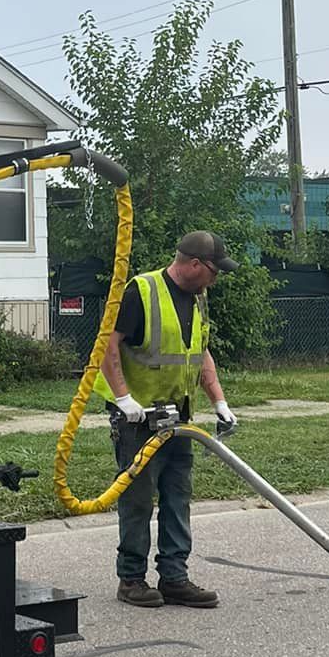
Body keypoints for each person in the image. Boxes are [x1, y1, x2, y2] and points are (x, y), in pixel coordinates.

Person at [92, 231, 239, 608]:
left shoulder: (198, 299)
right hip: (137, 421)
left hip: (179, 417)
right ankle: (131, 580)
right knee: (138, 500)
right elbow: (108, 344)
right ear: (194, 265)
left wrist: (219, 401)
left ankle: (174, 578)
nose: (216, 279)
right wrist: (123, 398)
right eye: (214, 271)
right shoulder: (141, 291)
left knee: (178, 497)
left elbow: (199, 351)